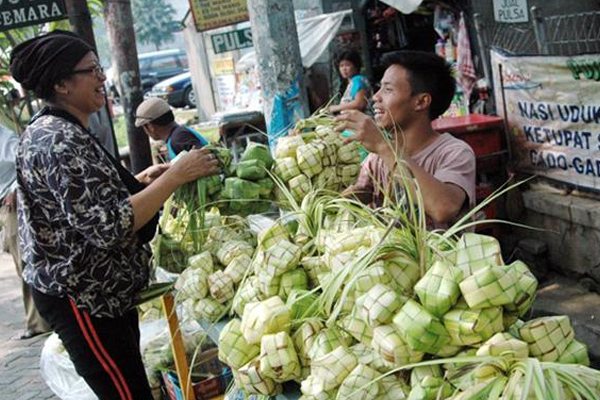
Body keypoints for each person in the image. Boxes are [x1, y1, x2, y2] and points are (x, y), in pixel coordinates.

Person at [10, 30, 220, 399]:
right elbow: (108, 225)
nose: (102, 77)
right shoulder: (57, 138)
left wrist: (141, 181)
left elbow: (81, 203)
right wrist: (174, 176)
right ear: (62, 84)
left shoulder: (64, 128)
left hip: (104, 293)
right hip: (83, 296)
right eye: (92, 70)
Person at [336, 51, 476, 229]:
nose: (375, 97)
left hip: (440, 257)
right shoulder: (376, 159)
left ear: (421, 102)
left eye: (388, 89)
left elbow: (443, 208)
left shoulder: (454, 152)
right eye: (379, 88)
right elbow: (361, 193)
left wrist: (383, 146)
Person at [0, 123, 50, 339]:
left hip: (14, 205)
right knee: (21, 260)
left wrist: (14, 189)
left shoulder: (5, 138)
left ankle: (39, 321)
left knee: (26, 262)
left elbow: (25, 160)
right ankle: (39, 318)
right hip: (5, 206)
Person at [329, 50, 372, 162]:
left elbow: (360, 103)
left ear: (356, 66)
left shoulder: (358, 81)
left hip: (360, 125)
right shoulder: (352, 82)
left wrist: (335, 108)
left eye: (348, 65)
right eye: (341, 65)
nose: (344, 69)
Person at [135, 97, 207, 160]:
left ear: (150, 127)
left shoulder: (178, 139)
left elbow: (204, 160)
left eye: (144, 127)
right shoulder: (178, 134)